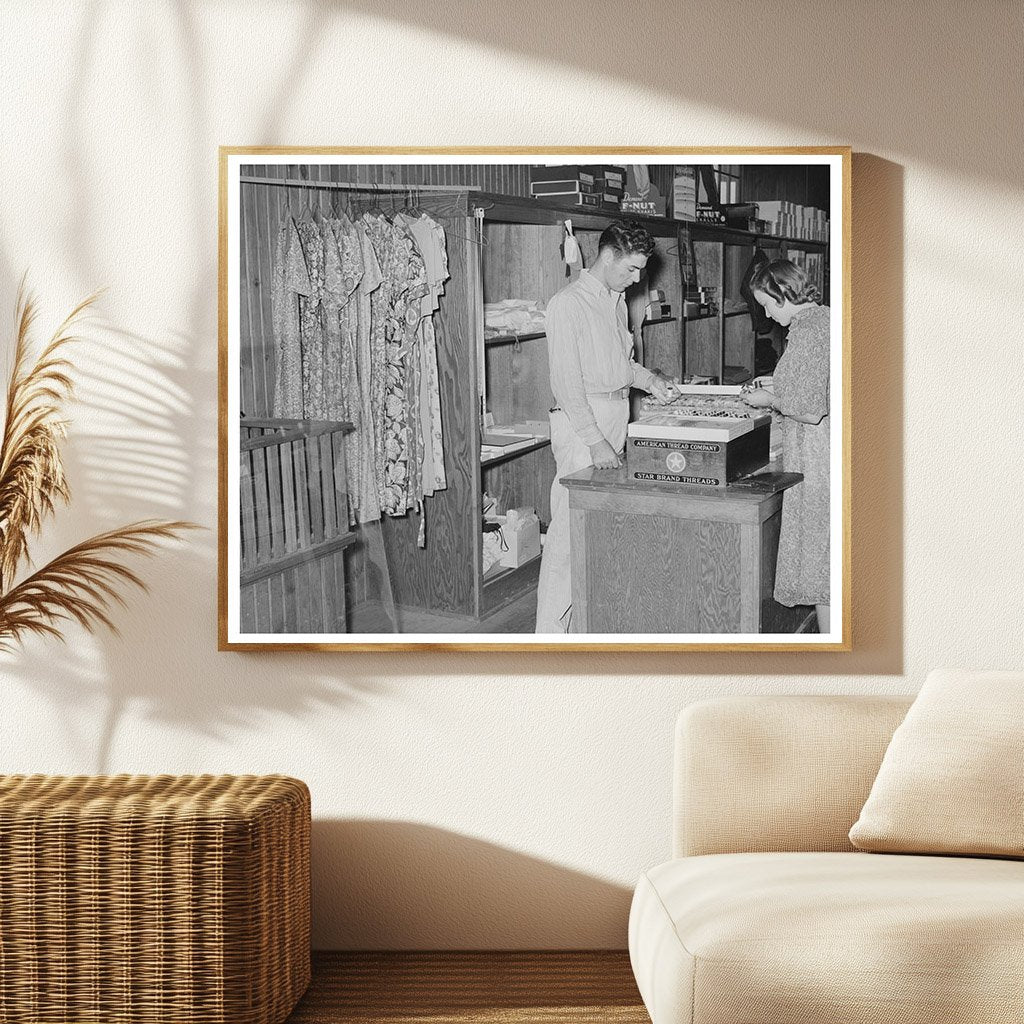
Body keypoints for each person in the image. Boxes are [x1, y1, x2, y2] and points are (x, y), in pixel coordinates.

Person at [535, 221, 673, 633]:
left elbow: (616, 366)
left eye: (640, 271)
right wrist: (595, 442)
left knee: (595, 531)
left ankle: (582, 630)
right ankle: (547, 638)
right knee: (566, 538)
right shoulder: (568, 304)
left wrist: (651, 380)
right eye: (631, 269)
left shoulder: (614, 300)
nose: (636, 279)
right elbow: (566, 382)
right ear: (608, 256)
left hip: (613, 417)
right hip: (584, 427)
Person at [742, 259, 831, 632]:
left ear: (781, 295)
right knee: (825, 565)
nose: (763, 312)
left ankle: (832, 645)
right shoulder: (819, 320)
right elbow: (813, 384)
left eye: (765, 303)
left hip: (816, 456)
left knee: (821, 565)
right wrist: (776, 387)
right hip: (820, 451)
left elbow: (810, 409)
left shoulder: (810, 331)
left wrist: (769, 401)